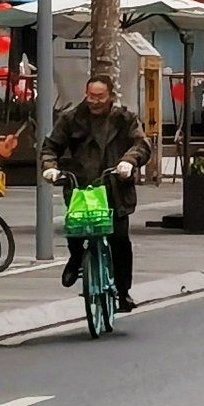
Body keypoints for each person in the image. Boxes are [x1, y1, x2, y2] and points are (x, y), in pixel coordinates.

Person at [46, 72, 150, 311]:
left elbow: (141, 144)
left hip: (114, 188)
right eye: (91, 96)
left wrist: (129, 162)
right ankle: (75, 260)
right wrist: (51, 168)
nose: (94, 101)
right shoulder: (70, 119)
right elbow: (51, 146)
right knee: (75, 229)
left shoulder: (125, 119)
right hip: (81, 187)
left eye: (100, 97)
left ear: (110, 96)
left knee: (120, 240)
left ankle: (123, 292)